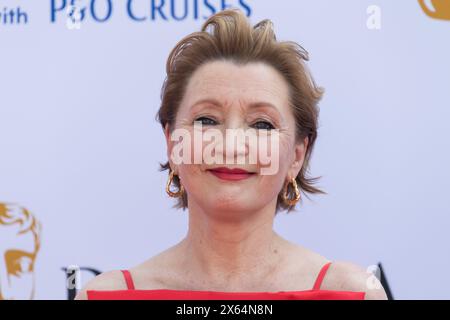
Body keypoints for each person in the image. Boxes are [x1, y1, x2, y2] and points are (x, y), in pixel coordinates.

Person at [76, 8, 387, 300]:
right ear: (172, 144)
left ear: (296, 155)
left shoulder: (351, 293)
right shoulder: (106, 295)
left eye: (262, 124)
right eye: (207, 120)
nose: (231, 145)